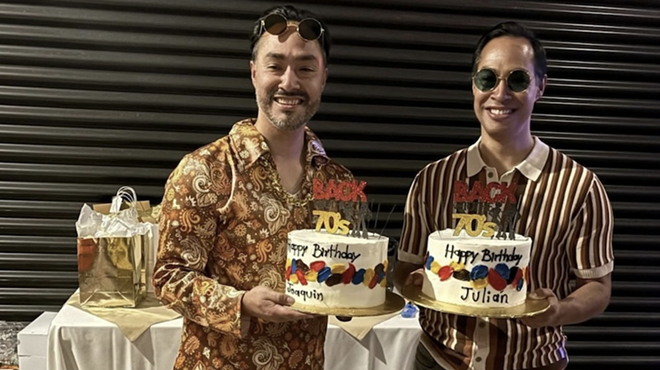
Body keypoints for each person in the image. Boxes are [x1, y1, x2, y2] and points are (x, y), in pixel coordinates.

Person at [395, 21, 614, 370]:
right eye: (487, 78)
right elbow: (405, 268)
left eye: (517, 79)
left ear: (540, 86)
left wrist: (558, 310)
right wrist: (416, 282)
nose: (500, 93)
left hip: (534, 362)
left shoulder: (581, 187)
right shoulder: (432, 180)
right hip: (439, 360)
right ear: (473, 85)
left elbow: (598, 287)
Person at [153, 5, 353, 370]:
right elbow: (168, 276)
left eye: (305, 68)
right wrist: (240, 302)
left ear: (323, 78)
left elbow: (339, 280)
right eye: (275, 66)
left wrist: (353, 293)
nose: (289, 82)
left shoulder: (338, 183)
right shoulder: (205, 170)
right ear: (253, 73)